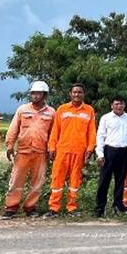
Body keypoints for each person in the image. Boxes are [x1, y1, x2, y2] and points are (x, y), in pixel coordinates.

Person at [2, 81, 54, 219]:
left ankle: (30, 207)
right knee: (16, 180)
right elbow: (13, 128)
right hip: (23, 151)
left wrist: (52, 149)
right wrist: (9, 145)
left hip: (41, 152)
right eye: (33, 93)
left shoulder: (51, 112)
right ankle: (11, 207)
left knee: (37, 182)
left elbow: (54, 133)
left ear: (45, 95)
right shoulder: (22, 109)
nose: (35, 96)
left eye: (38, 93)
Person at [45, 83, 97, 218]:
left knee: (75, 181)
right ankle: (54, 208)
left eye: (79, 92)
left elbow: (92, 131)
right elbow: (55, 130)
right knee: (57, 179)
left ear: (83, 94)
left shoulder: (89, 110)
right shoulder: (62, 109)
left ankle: (71, 208)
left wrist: (90, 148)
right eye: (74, 92)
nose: (77, 94)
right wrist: (51, 147)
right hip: (61, 150)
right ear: (70, 94)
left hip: (79, 150)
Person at [94, 97, 127, 218]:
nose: (119, 106)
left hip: (124, 152)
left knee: (120, 181)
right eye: (116, 104)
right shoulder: (106, 118)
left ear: (125, 105)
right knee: (104, 181)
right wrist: (100, 154)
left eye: (121, 104)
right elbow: (100, 136)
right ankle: (100, 207)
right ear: (112, 105)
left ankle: (118, 205)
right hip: (109, 151)